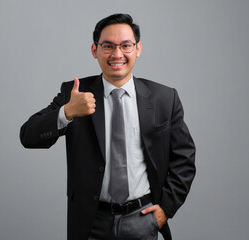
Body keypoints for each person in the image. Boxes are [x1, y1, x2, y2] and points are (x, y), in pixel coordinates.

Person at [20, 13, 196, 240]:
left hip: (142, 218)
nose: (117, 54)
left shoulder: (164, 98)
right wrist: (68, 112)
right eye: (108, 46)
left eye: (125, 46)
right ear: (94, 50)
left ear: (138, 49)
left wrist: (164, 211)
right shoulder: (74, 93)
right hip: (91, 222)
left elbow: (185, 158)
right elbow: (28, 136)